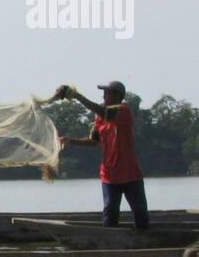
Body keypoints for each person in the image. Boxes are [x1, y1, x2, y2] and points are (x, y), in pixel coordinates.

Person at [56, 80, 149, 228]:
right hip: (110, 175)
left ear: (118, 96)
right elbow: (93, 141)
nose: (104, 96)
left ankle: (144, 243)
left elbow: (104, 112)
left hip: (130, 173)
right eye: (104, 93)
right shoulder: (101, 119)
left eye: (107, 93)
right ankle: (109, 243)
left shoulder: (124, 111)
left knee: (140, 213)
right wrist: (70, 140)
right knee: (110, 212)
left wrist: (77, 96)